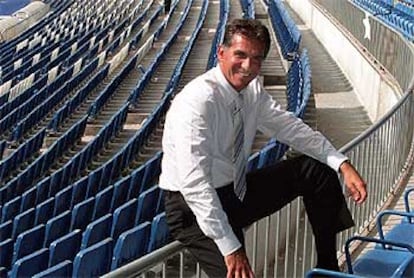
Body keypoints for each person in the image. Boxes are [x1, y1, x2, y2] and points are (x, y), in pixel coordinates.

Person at [159, 18, 367, 278]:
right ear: (221, 53)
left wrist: (341, 163)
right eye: (240, 55)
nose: (248, 66)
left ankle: (328, 270)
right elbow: (194, 184)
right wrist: (230, 247)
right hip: (192, 207)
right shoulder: (196, 103)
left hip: (235, 191)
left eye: (256, 59)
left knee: (316, 170)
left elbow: (290, 128)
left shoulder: (252, 91)